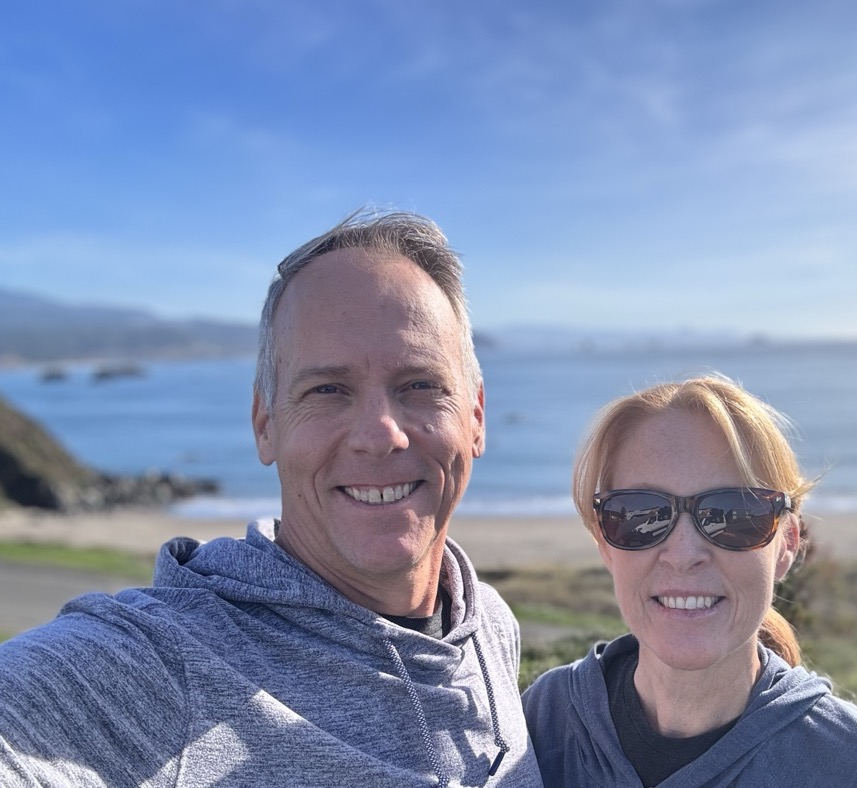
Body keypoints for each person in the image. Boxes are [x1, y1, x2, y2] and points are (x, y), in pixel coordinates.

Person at [0, 211, 543, 787]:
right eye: (327, 390)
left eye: (421, 386)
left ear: (476, 416)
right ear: (265, 425)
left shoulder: (487, 625)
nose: (381, 434)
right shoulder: (164, 661)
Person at [522, 376, 857, 787]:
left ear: (786, 544)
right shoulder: (547, 720)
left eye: (734, 514)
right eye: (639, 515)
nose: (683, 555)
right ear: (605, 543)